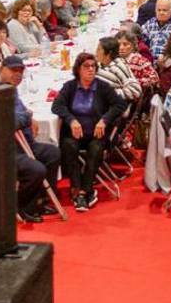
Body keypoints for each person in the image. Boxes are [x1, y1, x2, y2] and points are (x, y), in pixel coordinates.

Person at [51, 53, 128, 212]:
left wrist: (104, 120)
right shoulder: (70, 87)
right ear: (78, 69)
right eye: (86, 66)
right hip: (75, 134)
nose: (91, 69)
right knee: (68, 146)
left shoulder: (103, 87)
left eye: (93, 66)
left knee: (95, 150)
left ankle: (83, 192)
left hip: (96, 134)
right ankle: (77, 188)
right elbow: (57, 106)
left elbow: (120, 105)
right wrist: (71, 120)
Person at [2, 56, 62, 223]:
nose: (17, 74)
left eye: (20, 71)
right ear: (2, 69)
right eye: (13, 70)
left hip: (26, 144)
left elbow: (20, 114)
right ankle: (21, 206)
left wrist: (27, 115)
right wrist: (28, 116)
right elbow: (12, 121)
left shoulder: (12, 91)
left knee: (53, 153)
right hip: (9, 150)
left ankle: (40, 201)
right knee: (36, 170)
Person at [94, 36, 142, 103]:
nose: (96, 52)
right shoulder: (100, 65)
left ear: (109, 53)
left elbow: (135, 89)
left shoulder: (118, 67)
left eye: (99, 49)